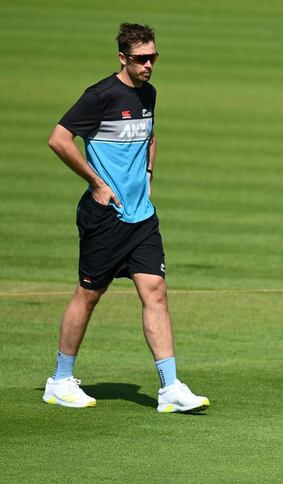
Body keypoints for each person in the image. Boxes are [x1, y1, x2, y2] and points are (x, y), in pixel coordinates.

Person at [44, 23, 209, 413]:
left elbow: (149, 134)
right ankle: (60, 379)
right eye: (141, 58)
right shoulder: (99, 96)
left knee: (155, 291)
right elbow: (59, 139)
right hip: (106, 216)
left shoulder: (148, 93)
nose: (149, 64)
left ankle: (170, 388)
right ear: (123, 58)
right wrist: (97, 184)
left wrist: (148, 175)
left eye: (153, 57)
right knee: (89, 295)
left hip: (142, 218)